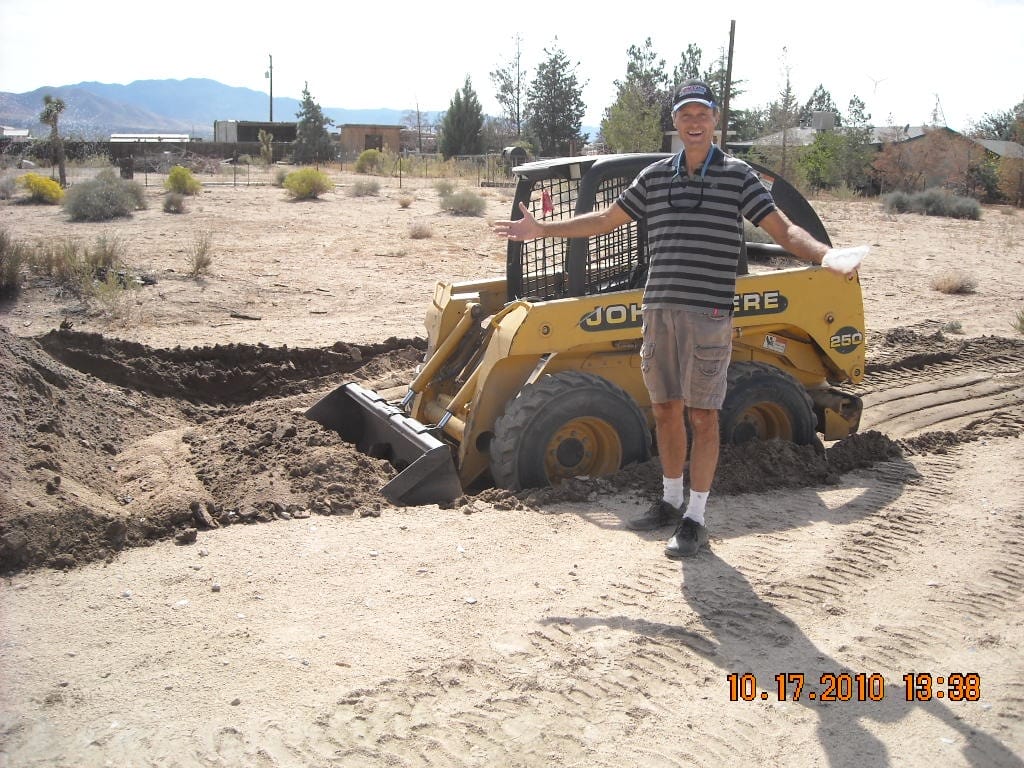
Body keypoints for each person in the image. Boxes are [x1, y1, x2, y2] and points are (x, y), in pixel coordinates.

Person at [492, 79, 862, 559]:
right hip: (659, 311)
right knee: (666, 409)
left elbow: (784, 229)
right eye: (686, 115)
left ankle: (696, 518)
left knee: (703, 416)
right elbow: (604, 221)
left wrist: (824, 256)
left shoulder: (737, 176)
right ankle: (669, 502)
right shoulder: (654, 178)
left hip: (708, 314)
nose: (694, 122)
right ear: (676, 122)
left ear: (714, 121)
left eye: (702, 115)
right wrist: (543, 228)